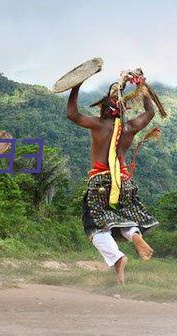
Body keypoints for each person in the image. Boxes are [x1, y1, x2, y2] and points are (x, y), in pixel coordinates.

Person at [66, 74, 159, 284]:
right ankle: (135, 236)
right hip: (124, 182)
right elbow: (150, 112)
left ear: (103, 108)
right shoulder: (130, 127)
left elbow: (72, 114)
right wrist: (142, 87)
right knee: (125, 216)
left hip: (100, 182)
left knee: (96, 226)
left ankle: (117, 258)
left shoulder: (99, 125)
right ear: (122, 109)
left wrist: (76, 84)